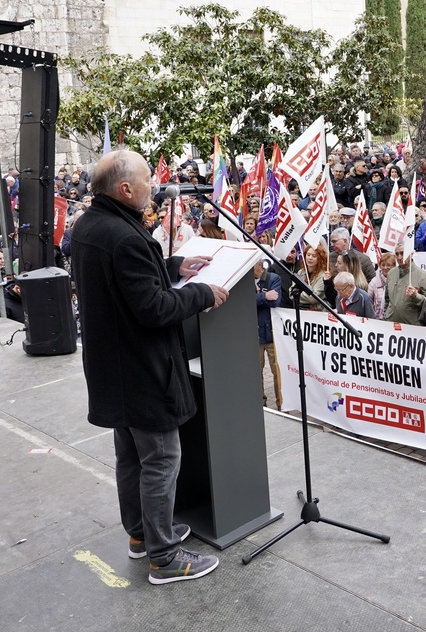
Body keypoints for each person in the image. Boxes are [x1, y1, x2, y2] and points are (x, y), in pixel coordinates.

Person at [72, 150, 229, 584]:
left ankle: (142, 535)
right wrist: (201, 293)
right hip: (142, 369)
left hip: (114, 368)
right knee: (161, 458)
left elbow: (125, 280)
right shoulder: (124, 236)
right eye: (146, 179)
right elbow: (153, 307)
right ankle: (164, 556)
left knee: (131, 458)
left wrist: (174, 266)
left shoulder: (91, 225)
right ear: (125, 189)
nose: (154, 185)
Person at [253, 259, 283, 409]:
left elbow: (276, 302)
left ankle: (281, 404)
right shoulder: (245, 280)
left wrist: (256, 301)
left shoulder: (273, 278)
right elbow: (242, 301)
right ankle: (260, 402)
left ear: (259, 264)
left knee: (277, 371)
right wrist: (264, 297)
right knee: (255, 371)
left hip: (271, 332)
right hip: (254, 334)